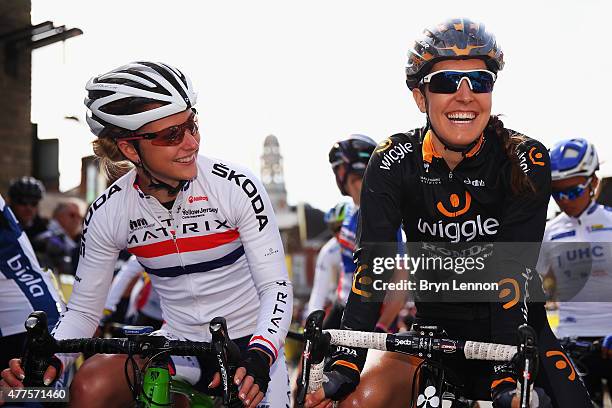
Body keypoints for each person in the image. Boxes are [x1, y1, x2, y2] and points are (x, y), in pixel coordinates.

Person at [305, 18, 592, 408]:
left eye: (480, 81)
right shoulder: (392, 161)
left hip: (517, 327)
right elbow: (373, 267)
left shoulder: (526, 158)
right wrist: (345, 364)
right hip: (433, 335)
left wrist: (506, 376)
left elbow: (511, 270)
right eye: (446, 82)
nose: (465, 95)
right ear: (420, 98)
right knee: (356, 400)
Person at [1, 61, 293, 408]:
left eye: (191, 125)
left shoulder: (236, 186)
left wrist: (261, 355)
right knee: (90, 385)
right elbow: (83, 312)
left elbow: (275, 285)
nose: (191, 143)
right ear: (129, 148)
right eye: (171, 135)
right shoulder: (109, 212)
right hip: (180, 348)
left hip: (252, 345)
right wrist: (50, 359)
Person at [537, 138, 612, 407]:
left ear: (593, 182)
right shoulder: (549, 232)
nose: (565, 200)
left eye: (572, 191)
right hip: (571, 340)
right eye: (557, 193)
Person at [327, 135, 404, 333]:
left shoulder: (379, 216)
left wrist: (381, 326)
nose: (336, 174)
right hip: (344, 307)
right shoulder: (352, 211)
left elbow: (401, 278)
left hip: (369, 316)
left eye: (338, 168)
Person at [0, 193, 71, 391]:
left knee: (28, 399)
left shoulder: (48, 229)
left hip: (30, 319)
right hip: (11, 318)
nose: (28, 208)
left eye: (33, 203)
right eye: (23, 201)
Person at [304, 202, 350, 322]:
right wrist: (312, 318)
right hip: (342, 303)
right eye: (333, 228)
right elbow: (319, 290)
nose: (337, 233)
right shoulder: (329, 251)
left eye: (341, 227)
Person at [33, 199, 83, 276]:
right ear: (58, 216)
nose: (77, 220)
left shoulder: (79, 240)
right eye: (72, 215)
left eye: (79, 216)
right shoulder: (45, 239)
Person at [6, 176, 49, 243]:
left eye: (34, 203)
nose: (29, 208)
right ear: (12, 203)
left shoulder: (44, 229)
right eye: (22, 202)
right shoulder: (3, 228)